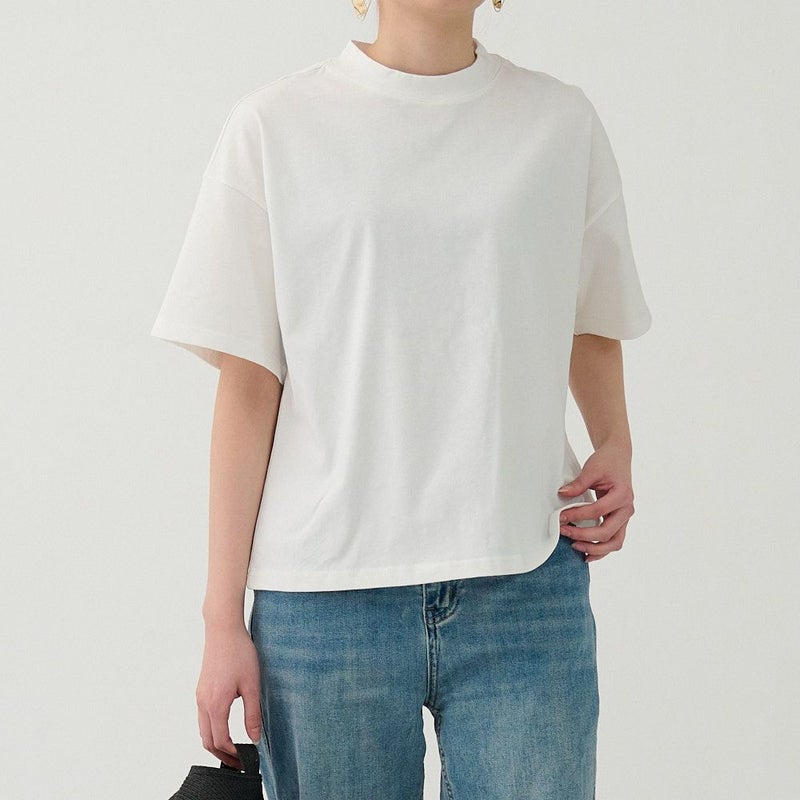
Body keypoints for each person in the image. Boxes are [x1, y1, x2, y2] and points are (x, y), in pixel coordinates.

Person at [150, 1, 652, 797]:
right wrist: (221, 620)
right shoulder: (275, 125)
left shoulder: (560, 122)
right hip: (323, 602)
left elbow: (589, 313)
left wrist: (614, 439)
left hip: (523, 583)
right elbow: (249, 385)